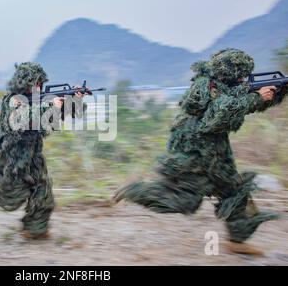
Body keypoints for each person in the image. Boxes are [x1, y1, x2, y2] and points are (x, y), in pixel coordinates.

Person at [114, 49, 287, 254]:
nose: (243, 78)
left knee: (235, 190)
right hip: (195, 152)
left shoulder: (224, 86)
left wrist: (276, 92)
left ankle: (237, 241)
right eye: (240, 73)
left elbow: (239, 103)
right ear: (230, 71)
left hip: (214, 150)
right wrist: (256, 98)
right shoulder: (209, 87)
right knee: (185, 200)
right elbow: (219, 116)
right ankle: (133, 191)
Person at [0, 62, 84, 239]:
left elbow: (57, 116)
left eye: (40, 83)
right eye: (34, 83)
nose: (38, 87)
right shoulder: (13, 100)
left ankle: (34, 230)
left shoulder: (42, 99)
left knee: (44, 193)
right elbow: (22, 120)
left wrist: (73, 99)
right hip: (12, 157)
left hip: (33, 155)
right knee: (11, 196)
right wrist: (49, 105)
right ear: (24, 83)